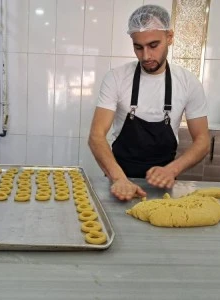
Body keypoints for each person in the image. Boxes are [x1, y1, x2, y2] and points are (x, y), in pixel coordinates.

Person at [88, 5, 210, 201]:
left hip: (164, 184)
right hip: (118, 180)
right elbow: (96, 136)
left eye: (153, 45)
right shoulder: (116, 78)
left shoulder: (188, 82)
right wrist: (119, 179)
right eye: (138, 47)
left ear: (169, 37)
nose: (145, 56)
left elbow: (203, 141)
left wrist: (172, 170)